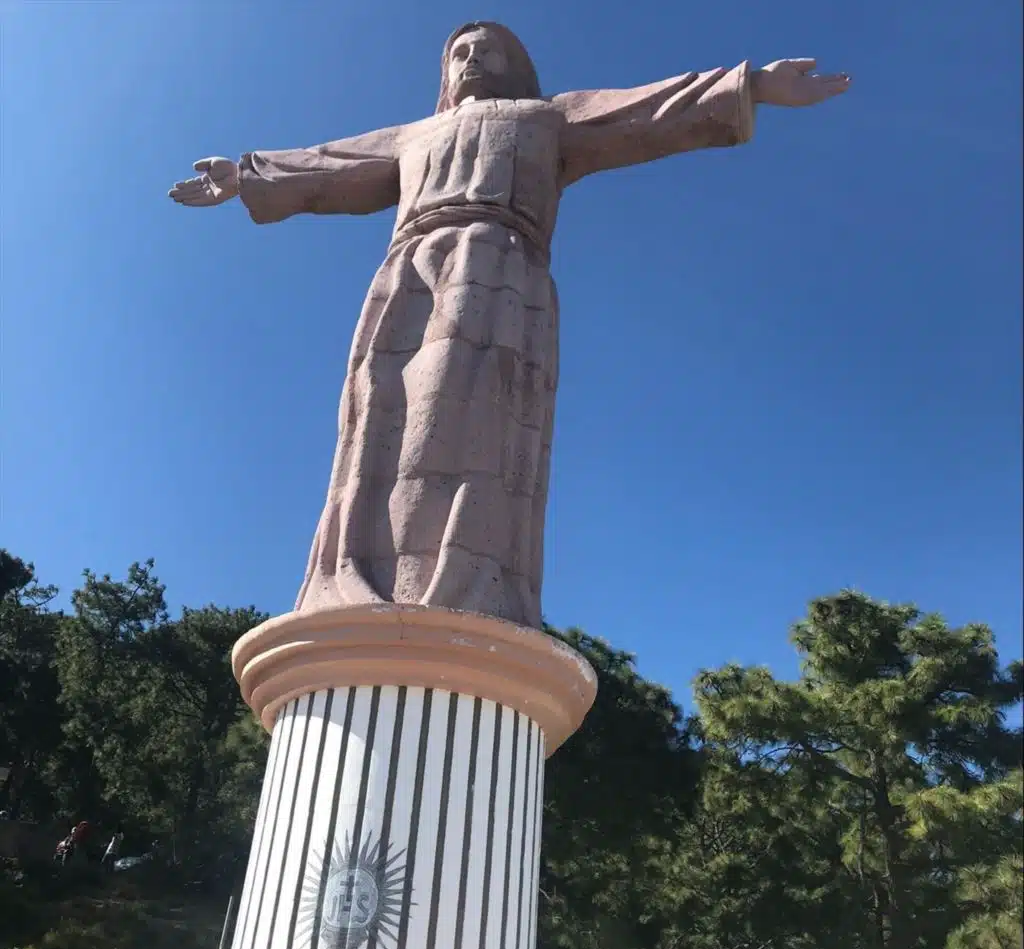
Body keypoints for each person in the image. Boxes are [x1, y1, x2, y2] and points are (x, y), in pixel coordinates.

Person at [169, 23, 850, 629]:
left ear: (515, 68)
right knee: (378, 410)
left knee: (483, 420)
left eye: (487, 50)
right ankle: (350, 582)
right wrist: (245, 175)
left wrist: (751, 86)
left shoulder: (546, 117)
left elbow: (646, 110)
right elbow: (328, 162)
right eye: (459, 52)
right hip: (407, 273)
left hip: (501, 267)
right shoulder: (413, 135)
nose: (471, 59)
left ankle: (471, 589)